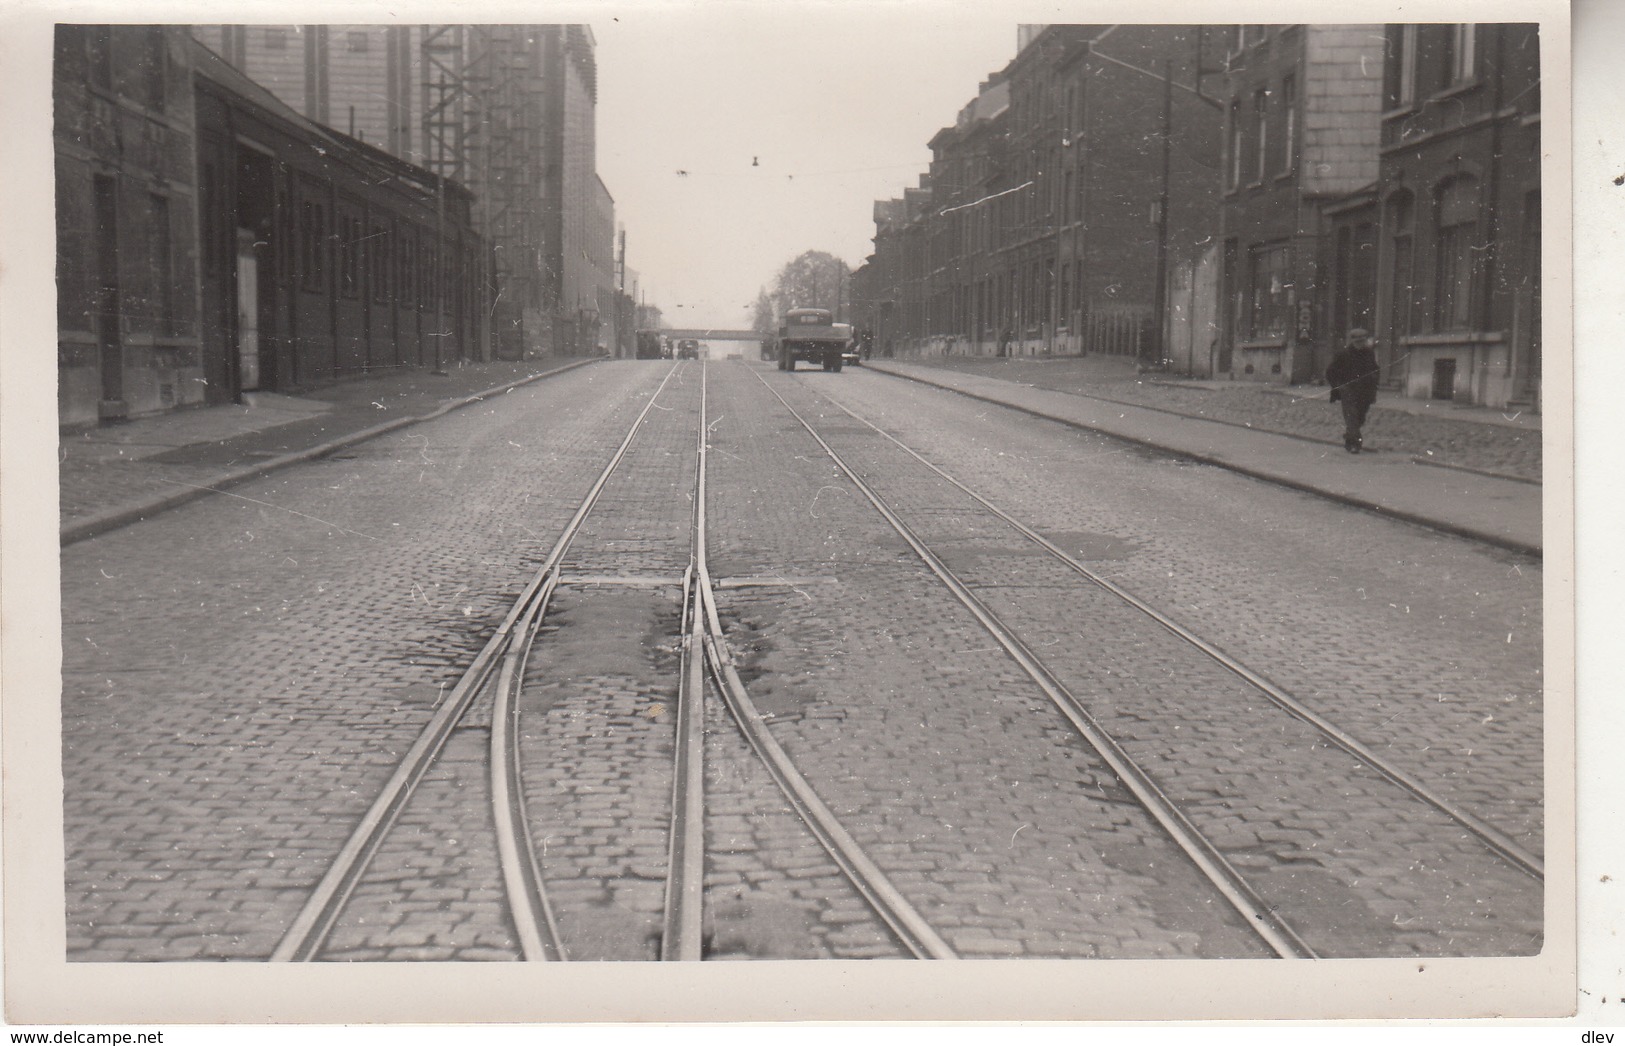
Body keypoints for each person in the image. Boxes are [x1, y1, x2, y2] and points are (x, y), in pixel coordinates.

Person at [1325, 329, 1381, 453]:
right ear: (1352, 341)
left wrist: (1375, 382)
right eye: (1357, 341)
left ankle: (1349, 438)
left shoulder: (1369, 353)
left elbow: (1375, 369)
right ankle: (1355, 444)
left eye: (1363, 340)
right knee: (1352, 416)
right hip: (1348, 390)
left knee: (1360, 417)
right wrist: (1337, 386)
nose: (1360, 343)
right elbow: (1330, 372)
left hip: (1365, 391)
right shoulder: (1343, 354)